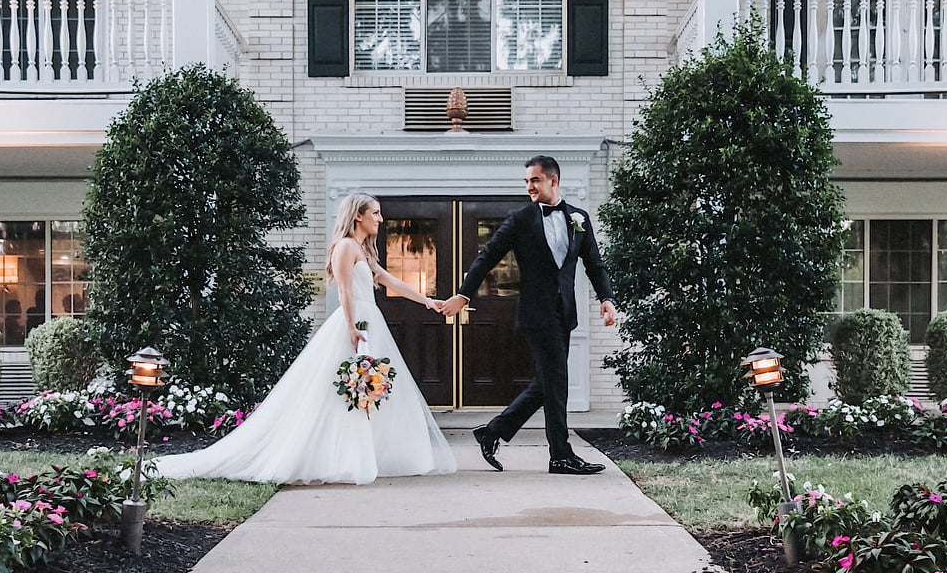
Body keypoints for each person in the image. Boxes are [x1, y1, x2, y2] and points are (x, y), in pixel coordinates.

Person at [152, 192, 457, 484]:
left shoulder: (363, 250)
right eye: (375, 213)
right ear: (358, 216)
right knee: (345, 390)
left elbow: (388, 280)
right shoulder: (346, 247)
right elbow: (344, 291)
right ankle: (342, 458)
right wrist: (352, 326)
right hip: (356, 324)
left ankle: (365, 455)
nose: (381, 218)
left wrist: (428, 301)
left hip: (369, 322)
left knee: (368, 390)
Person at [442, 155, 617, 475]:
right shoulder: (520, 219)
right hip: (538, 315)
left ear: (553, 180)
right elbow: (487, 257)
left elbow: (594, 263)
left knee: (548, 383)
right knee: (556, 383)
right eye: (526, 181)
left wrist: (606, 298)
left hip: (564, 313)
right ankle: (560, 455)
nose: (529, 187)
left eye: (534, 180)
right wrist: (464, 294)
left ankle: (493, 431)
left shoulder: (579, 218)